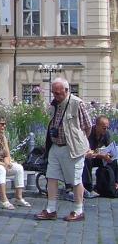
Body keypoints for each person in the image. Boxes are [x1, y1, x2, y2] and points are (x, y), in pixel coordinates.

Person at [35, 78, 92, 222]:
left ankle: (78, 211)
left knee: (75, 180)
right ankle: (51, 209)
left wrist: (80, 142)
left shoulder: (77, 103)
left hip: (72, 148)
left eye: (59, 93)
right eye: (54, 93)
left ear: (67, 91)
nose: (56, 96)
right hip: (55, 147)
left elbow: (88, 126)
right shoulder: (54, 104)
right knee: (51, 177)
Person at [83, 115, 118, 196]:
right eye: (104, 128)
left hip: (99, 156)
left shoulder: (106, 134)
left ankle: (115, 183)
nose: (106, 130)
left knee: (114, 161)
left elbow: (109, 148)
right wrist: (102, 156)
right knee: (87, 160)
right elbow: (86, 152)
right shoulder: (89, 133)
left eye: (107, 127)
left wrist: (109, 156)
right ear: (96, 126)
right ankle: (88, 187)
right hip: (88, 156)